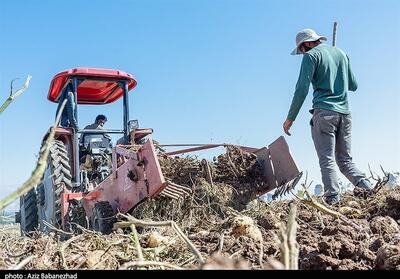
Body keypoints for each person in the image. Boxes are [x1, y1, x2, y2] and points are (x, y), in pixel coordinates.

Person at [283, 28, 372, 205]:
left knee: (327, 158)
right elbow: (353, 85)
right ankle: (368, 188)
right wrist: (336, 73)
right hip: (345, 114)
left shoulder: (311, 56)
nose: (302, 53)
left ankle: (333, 199)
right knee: (345, 160)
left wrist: (290, 118)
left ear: (306, 44)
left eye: (301, 49)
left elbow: (302, 89)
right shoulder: (341, 53)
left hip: (324, 113)